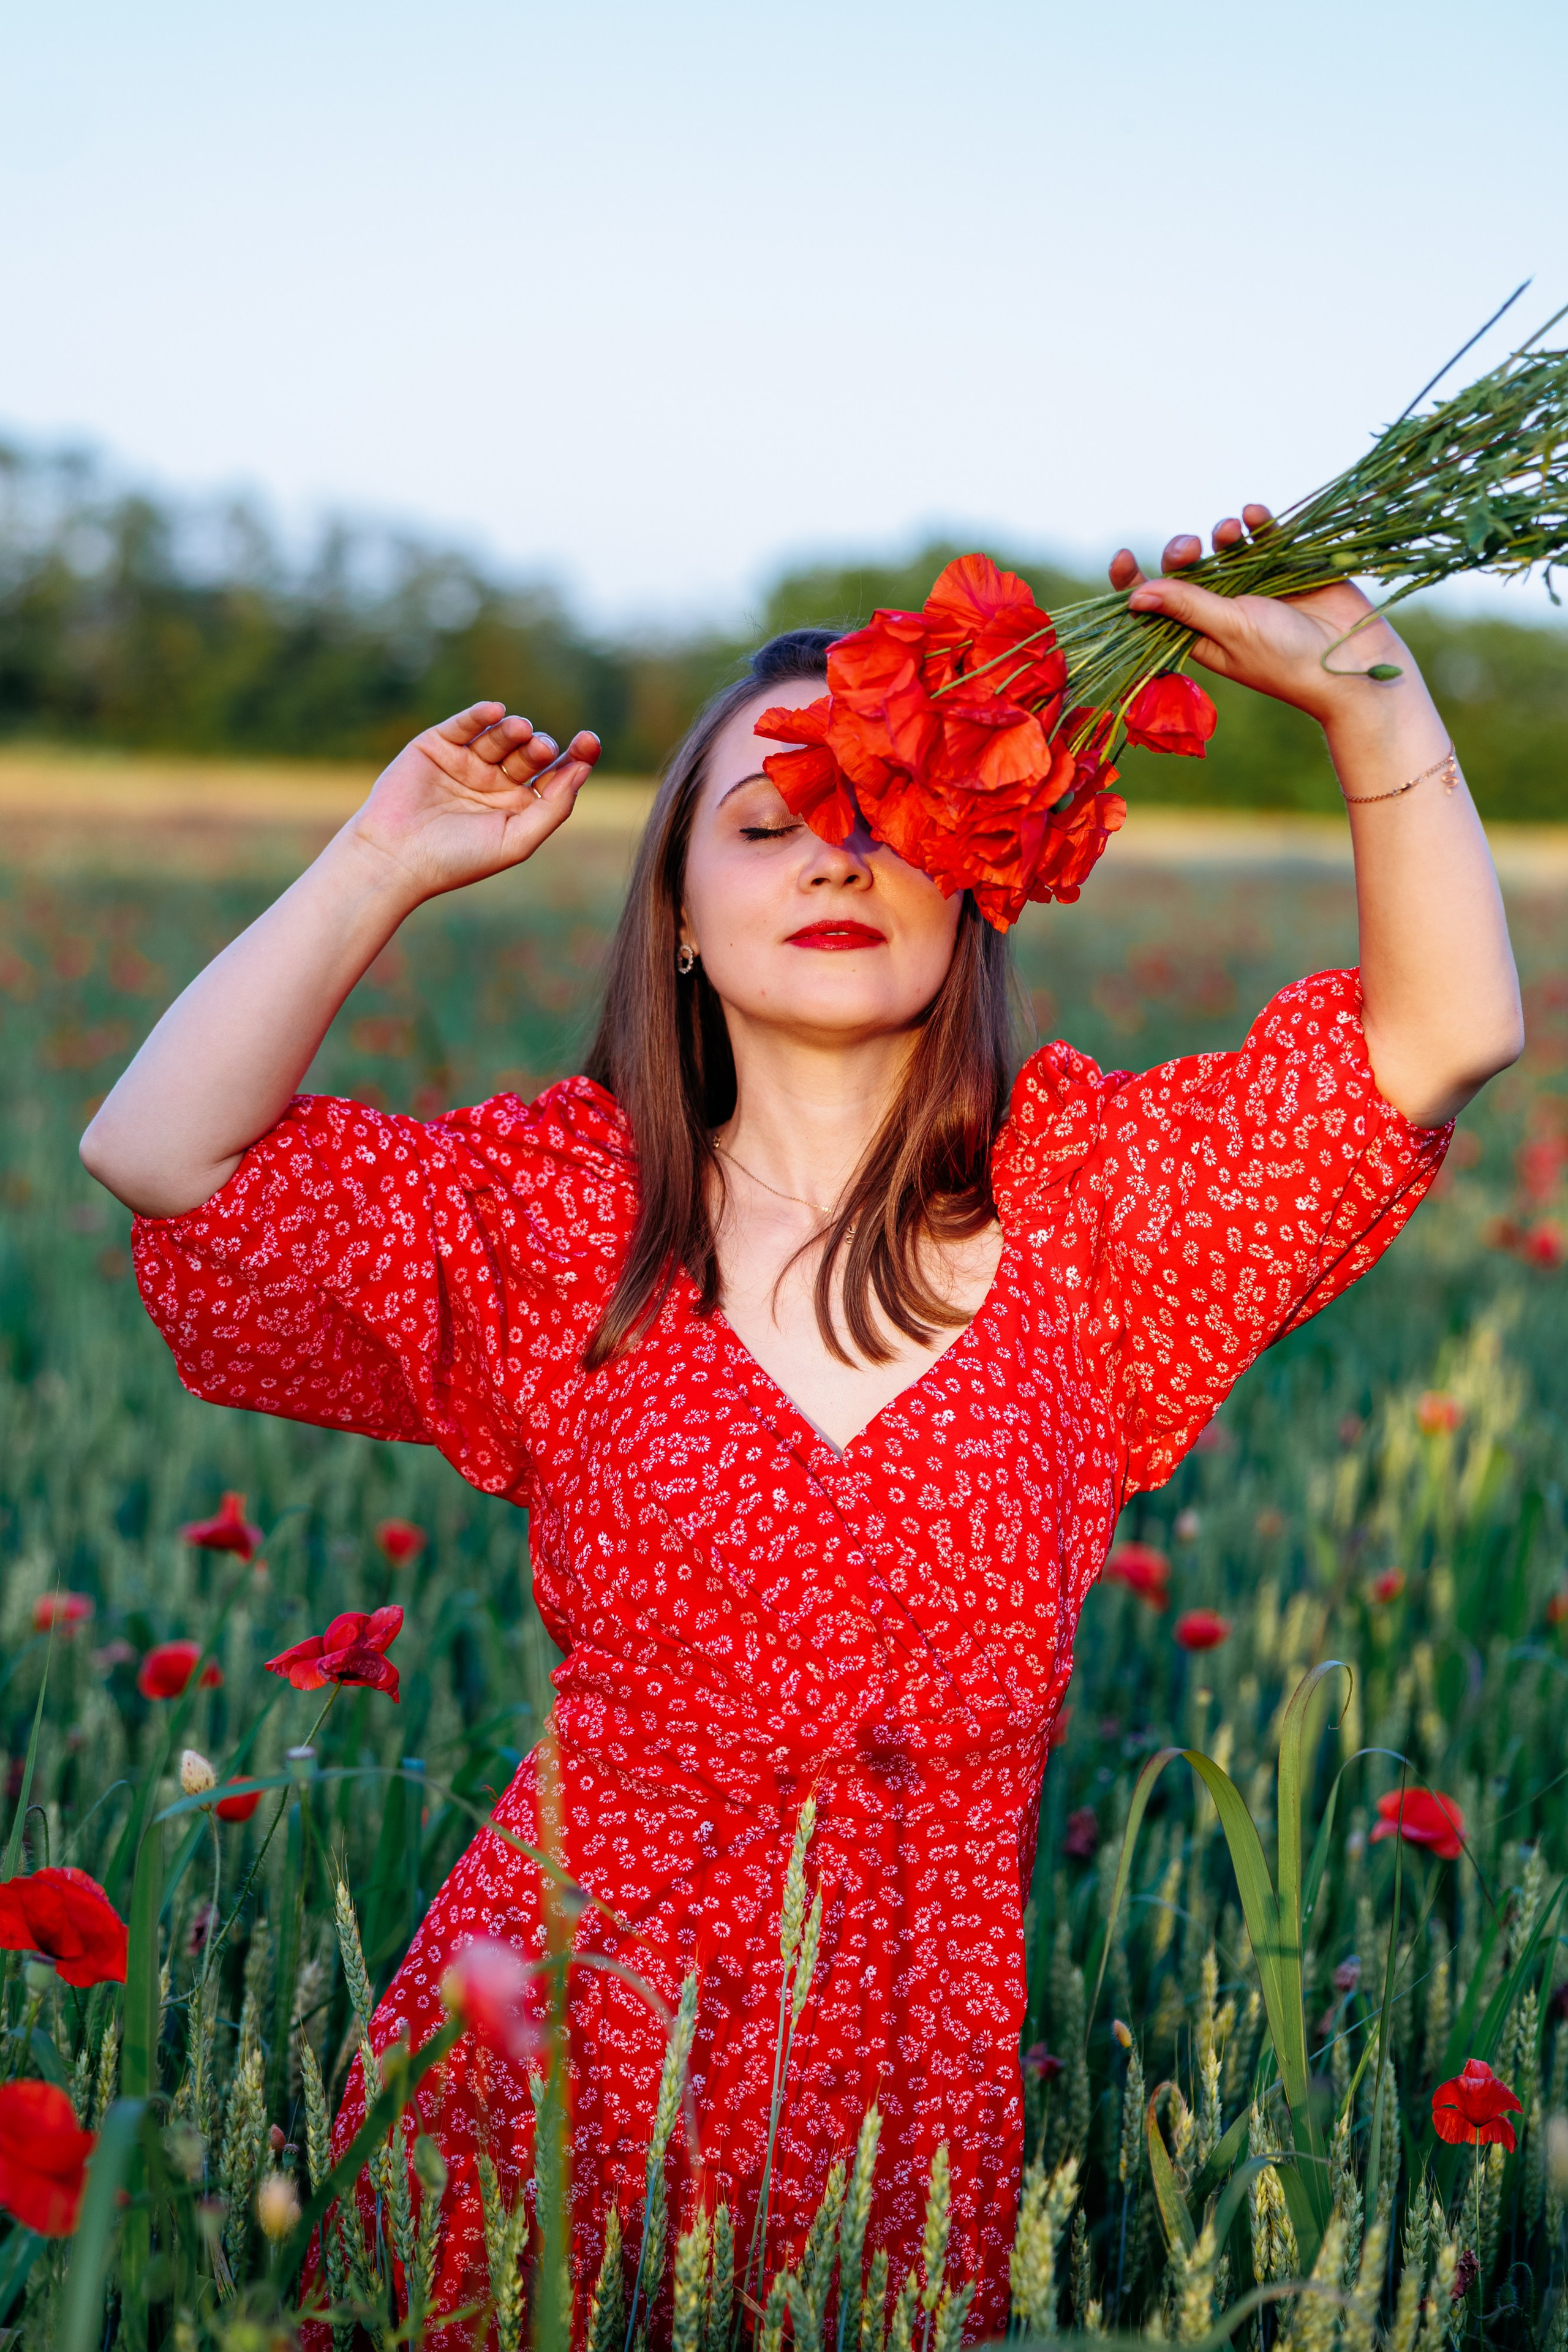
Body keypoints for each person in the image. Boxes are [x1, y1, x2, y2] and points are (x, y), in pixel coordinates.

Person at [83, 518, 1522, 2344]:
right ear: (679, 915)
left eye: (886, 817)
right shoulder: (566, 1218)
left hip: (907, 2110)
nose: (835, 855)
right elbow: (159, 1154)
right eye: (767, 824)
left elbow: (1440, 1038)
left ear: (974, 882)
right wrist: (382, 860)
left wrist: (1369, 692)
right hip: (550, 2070)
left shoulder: (1089, 1212)